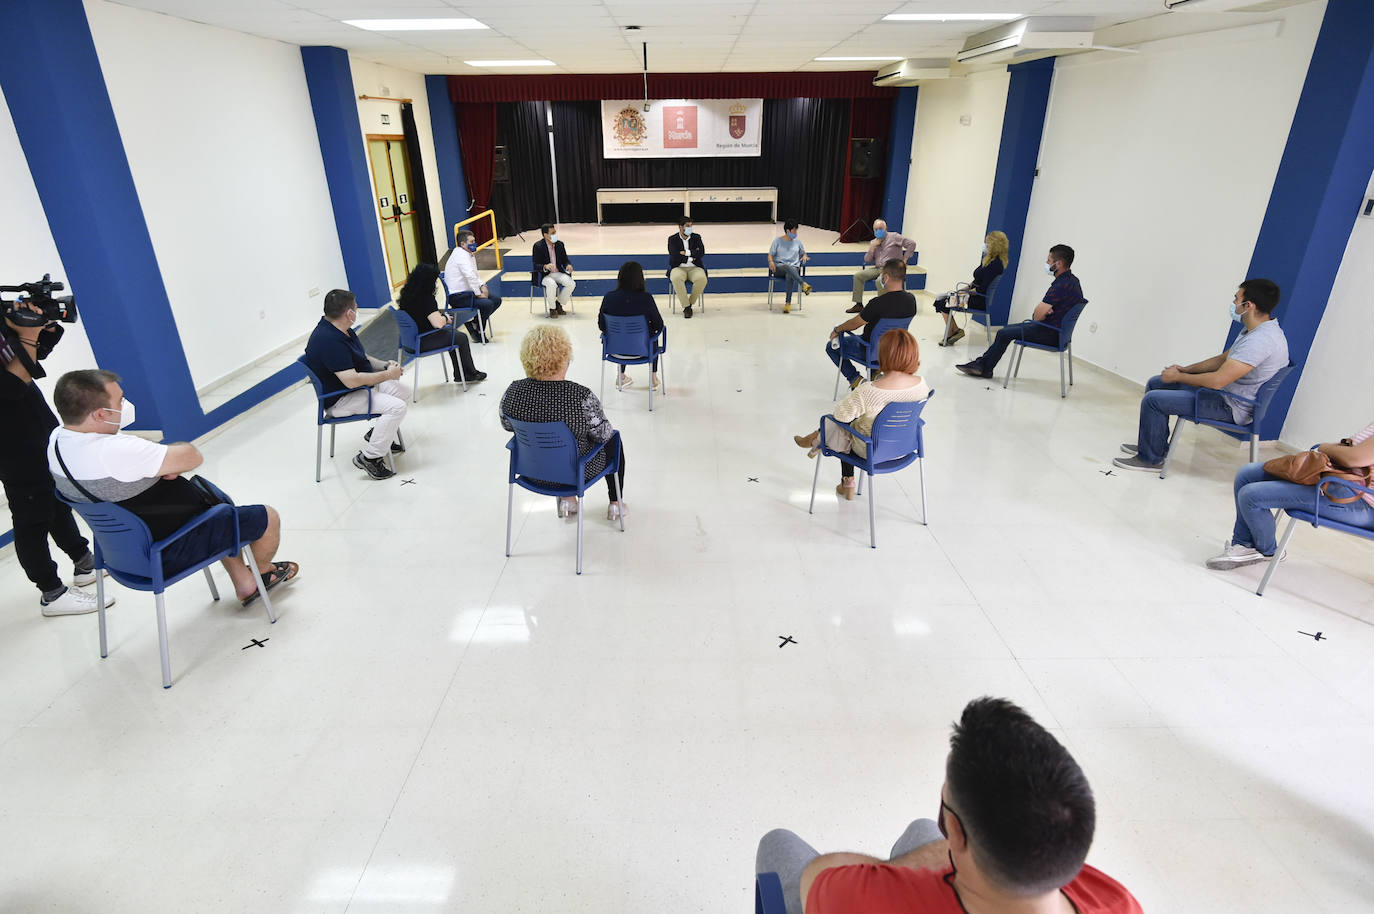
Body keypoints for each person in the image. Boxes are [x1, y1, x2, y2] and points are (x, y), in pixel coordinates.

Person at [756, 696, 1143, 914]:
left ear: (957, 831)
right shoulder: (1120, 903)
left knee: (779, 843)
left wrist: (905, 872)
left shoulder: (857, 898)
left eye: (947, 812)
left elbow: (817, 878)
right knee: (920, 831)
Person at [47, 370, 298, 606]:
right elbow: (191, 456)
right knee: (265, 516)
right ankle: (261, 573)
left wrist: (153, 467)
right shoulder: (116, 451)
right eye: (120, 401)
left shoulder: (57, 441)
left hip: (122, 554)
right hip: (166, 550)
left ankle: (244, 581)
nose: (125, 405)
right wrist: (163, 462)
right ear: (100, 414)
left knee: (218, 511)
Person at [0, 299, 111, 616]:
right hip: (11, 443)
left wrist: (41, 328)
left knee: (56, 497)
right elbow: (9, 386)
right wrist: (27, 336)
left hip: (35, 429)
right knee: (31, 515)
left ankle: (83, 562)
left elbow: (31, 360)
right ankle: (51, 592)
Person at [1113, 278, 1288, 472]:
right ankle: (1154, 447)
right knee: (1157, 383)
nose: (1233, 304)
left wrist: (1178, 377)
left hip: (1231, 405)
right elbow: (1223, 359)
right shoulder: (1255, 331)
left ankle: (1150, 460)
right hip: (1226, 395)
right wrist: (1185, 370)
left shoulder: (1261, 341)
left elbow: (1217, 380)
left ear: (1248, 305)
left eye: (1236, 299)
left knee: (1153, 400)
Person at [499, 325, 626, 521]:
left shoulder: (513, 392)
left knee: (551, 446)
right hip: (576, 474)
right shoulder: (580, 396)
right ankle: (616, 504)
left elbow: (507, 425)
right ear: (564, 359)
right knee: (614, 441)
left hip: (531, 471)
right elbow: (603, 434)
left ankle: (568, 500)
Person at [1207, 422, 1374, 570]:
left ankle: (1269, 551)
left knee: (1251, 496)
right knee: (1247, 474)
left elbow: (1354, 458)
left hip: (1360, 503)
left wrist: (1325, 447)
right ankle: (1243, 544)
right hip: (1339, 481)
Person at [794, 329, 929, 500]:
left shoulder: (870, 391)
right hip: (906, 445)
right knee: (854, 423)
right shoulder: (921, 385)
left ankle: (818, 441)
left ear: (883, 355)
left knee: (838, 425)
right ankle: (821, 446)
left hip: (871, 449)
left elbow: (840, 415)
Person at [303, 289, 408, 480]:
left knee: (403, 392)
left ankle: (378, 436)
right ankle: (369, 458)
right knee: (397, 407)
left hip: (357, 388)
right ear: (349, 313)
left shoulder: (341, 329)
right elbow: (351, 381)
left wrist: (385, 365)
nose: (357, 309)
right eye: (356, 307)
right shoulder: (328, 340)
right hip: (341, 399)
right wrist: (387, 375)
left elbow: (362, 357)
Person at [957, 244, 1086, 380]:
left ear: (1058, 264)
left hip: (1050, 333)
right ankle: (982, 365)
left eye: (1049, 261)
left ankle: (984, 368)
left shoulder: (1060, 285)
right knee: (1007, 330)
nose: (1046, 264)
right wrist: (1043, 312)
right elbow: (1042, 313)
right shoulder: (1073, 281)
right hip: (1060, 334)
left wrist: (1041, 312)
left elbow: (1037, 316)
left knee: (1003, 333)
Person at [827, 259, 917, 392]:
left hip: (870, 351)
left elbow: (854, 323)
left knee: (831, 347)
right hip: (895, 352)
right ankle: (876, 372)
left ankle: (855, 379)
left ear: (885, 277)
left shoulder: (878, 303)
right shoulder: (911, 300)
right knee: (880, 339)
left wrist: (837, 329)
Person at [397, 263, 487, 385]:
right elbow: (438, 324)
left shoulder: (406, 295)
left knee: (451, 333)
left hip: (409, 342)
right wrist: (445, 317)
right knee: (460, 337)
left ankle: (462, 373)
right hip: (422, 341)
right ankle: (468, 373)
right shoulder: (426, 298)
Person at [598, 261, 664, 391]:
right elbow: (659, 325)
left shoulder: (609, 297)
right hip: (643, 351)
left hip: (614, 350)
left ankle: (621, 376)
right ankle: (653, 377)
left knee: (621, 335)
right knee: (652, 337)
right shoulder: (646, 298)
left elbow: (601, 325)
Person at [935, 230, 1009, 346]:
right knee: (942, 299)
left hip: (979, 300)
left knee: (943, 302)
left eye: (987, 242)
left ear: (994, 244)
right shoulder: (988, 260)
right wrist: (964, 289)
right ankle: (955, 331)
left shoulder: (996, 265)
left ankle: (952, 333)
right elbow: (976, 281)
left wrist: (966, 293)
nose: (985, 245)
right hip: (972, 295)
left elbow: (982, 289)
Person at [442, 229, 502, 342]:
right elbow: (469, 276)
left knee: (496, 300)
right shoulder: (460, 255)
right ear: (463, 244)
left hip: (468, 294)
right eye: (471, 242)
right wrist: (479, 294)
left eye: (474, 241)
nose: (474, 244)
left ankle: (475, 324)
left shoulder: (468, 254)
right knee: (487, 304)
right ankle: (479, 331)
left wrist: (483, 286)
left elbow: (475, 275)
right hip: (458, 296)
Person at [848, 219, 915, 314]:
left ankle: (883, 306)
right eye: (876, 229)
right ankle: (858, 304)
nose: (878, 231)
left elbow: (912, 244)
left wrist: (905, 259)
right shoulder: (873, 242)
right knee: (858, 276)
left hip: (892, 268)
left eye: (880, 228)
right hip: (878, 268)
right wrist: (872, 247)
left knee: (880, 281)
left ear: (886, 228)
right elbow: (867, 260)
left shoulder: (894, 237)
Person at [768, 221, 812, 314]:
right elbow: (770, 255)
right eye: (794, 231)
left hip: (794, 269)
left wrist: (804, 255)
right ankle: (803, 284)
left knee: (790, 275)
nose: (796, 233)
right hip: (779, 268)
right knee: (787, 267)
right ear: (788, 231)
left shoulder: (798, 242)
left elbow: (803, 253)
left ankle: (787, 303)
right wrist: (771, 262)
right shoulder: (777, 241)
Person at [533, 223, 575, 317]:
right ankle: (552, 309)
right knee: (551, 285)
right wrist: (545, 266)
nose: (555, 235)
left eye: (555, 232)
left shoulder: (560, 244)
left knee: (571, 284)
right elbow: (535, 265)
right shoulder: (538, 246)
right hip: (545, 275)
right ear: (545, 235)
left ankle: (558, 303)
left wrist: (568, 265)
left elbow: (565, 260)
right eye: (552, 233)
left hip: (558, 272)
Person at [668, 217, 707, 318]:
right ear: (680, 227)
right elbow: (674, 255)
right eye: (687, 226)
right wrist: (691, 257)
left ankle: (689, 304)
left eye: (691, 226)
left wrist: (686, 253)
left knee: (702, 279)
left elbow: (701, 252)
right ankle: (686, 307)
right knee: (676, 278)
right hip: (678, 267)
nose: (689, 228)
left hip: (695, 267)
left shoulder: (696, 237)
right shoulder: (672, 239)